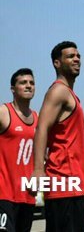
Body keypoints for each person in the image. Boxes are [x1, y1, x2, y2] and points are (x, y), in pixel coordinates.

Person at [32, 41, 84, 232]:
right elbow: (41, 128)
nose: (77, 59)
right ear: (57, 63)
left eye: (78, 56)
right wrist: (38, 170)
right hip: (64, 183)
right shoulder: (58, 91)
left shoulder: (69, 94)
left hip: (75, 184)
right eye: (70, 56)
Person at [0, 68, 38, 232]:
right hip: (3, 194)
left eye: (32, 83)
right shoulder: (3, 112)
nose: (28, 86)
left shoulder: (38, 118)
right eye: (23, 83)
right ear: (13, 89)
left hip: (27, 195)